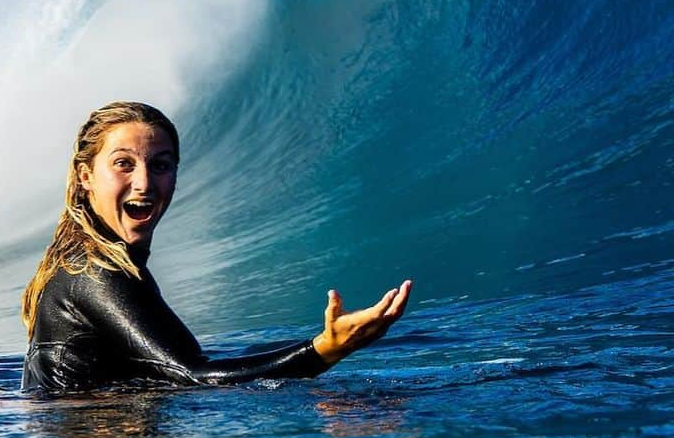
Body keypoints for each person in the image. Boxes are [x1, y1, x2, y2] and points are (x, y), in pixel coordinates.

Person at [21, 100, 411, 395]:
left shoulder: (97, 265)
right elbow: (193, 375)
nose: (144, 183)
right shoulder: (94, 274)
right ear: (86, 176)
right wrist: (325, 350)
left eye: (161, 165)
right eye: (123, 164)